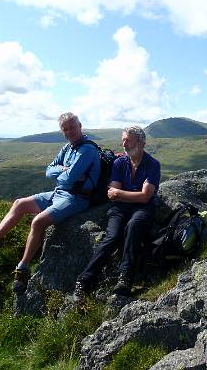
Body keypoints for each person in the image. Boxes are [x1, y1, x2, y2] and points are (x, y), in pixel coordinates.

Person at [0, 112, 100, 292]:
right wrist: (64, 170)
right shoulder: (67, 148)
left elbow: (67, 179)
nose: (69, 132)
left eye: (72, 127)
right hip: (59, 193)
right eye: (65, 129)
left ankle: (23, 269)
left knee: (38, 222)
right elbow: (49, 171)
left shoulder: (87, 150)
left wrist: (65, 174)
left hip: (77, 198)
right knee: (20, 203)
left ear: (80, 126)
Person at [73, 126, 160, 300]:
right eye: (123, 140)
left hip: (143, 208)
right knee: (112, 236)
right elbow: (112, 194)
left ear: (140, 142)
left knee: (134, 226)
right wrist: (126, 195)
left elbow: (144, 197)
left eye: (128, 140)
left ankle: (125, 278)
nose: (124, 144)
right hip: (120, 208)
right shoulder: (120, 163)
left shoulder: (152, 164)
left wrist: (121, 194)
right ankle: (84, 281)